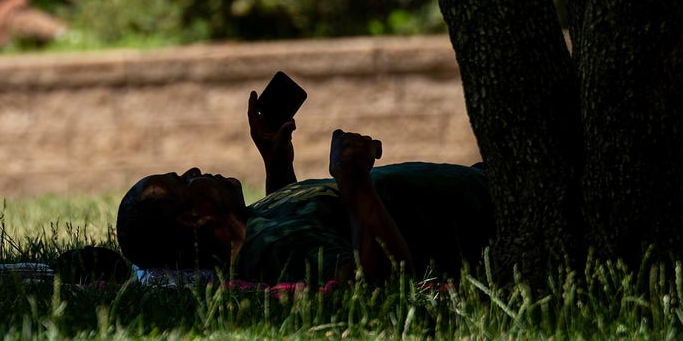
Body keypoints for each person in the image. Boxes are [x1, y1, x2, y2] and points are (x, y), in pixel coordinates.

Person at [116, 91, 494, 284]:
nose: (194, 169)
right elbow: (383, 282)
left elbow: (307, 220)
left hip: (484, 182)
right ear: (194, 218)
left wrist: (277, 163)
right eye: (184, 180)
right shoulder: (267, 251)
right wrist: (353, 178)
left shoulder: (255, 223)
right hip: (492, 207)